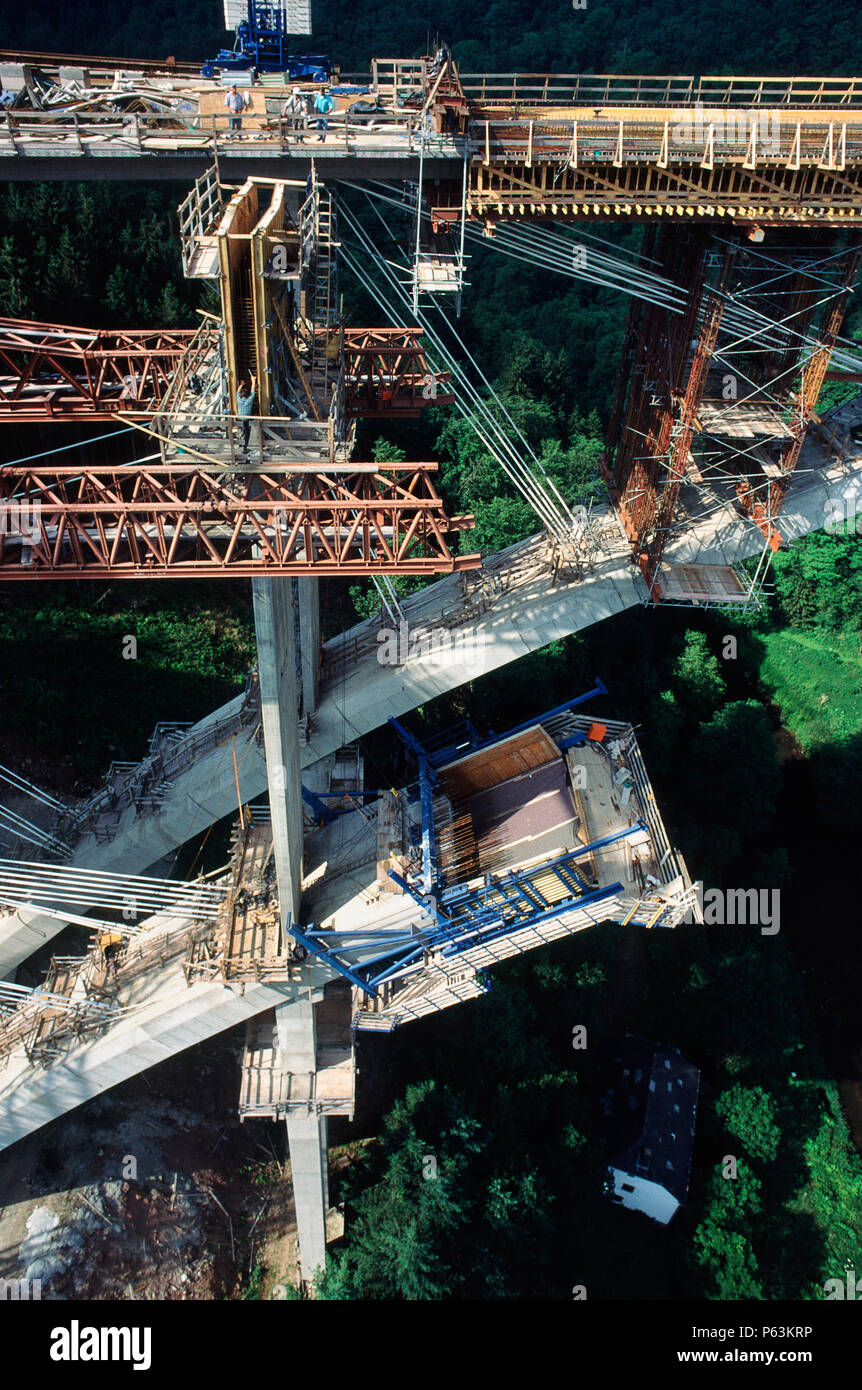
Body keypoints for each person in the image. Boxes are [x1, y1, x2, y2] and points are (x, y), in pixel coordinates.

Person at [236, 374, 257, 453]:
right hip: (246, 420)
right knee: (247, 433)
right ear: (247, 395)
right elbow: (253, 391)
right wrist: (253, 381)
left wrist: (241, 385)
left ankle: (241, 446)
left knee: (241, 433)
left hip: (239, 419)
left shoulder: (239, 400)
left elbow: (237, 392)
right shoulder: (249, 401)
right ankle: (244, 447)